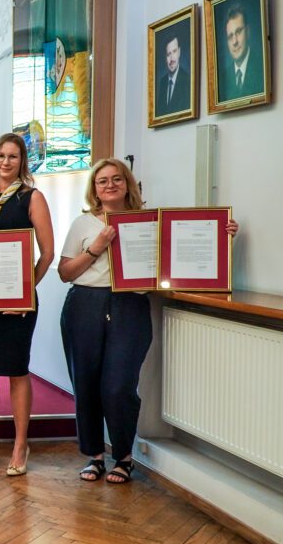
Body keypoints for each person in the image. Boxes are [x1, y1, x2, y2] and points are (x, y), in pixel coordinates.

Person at [58, 158, 238, 483]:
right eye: (102, 181)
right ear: (94, 189)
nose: (110, 185)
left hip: (131, 307)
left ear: (127, 183)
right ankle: (95, 455)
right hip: (84, 304)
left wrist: (220, 237)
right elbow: (65, 273)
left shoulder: (152, 222)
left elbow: (181, 257)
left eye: (116, 179)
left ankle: (124, 456)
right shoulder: (83, 224)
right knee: (85, 383)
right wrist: (96, 249)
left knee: (117, 386)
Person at [0, 133, 54, 476]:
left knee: (17, 370)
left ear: (22, 161)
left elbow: (47, 253)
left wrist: (25, 293)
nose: (5, 162)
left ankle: (20, 443)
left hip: (18, 303)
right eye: (0, 155)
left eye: (13, 156)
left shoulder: (32, 197)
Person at [220, 2, 264, 100]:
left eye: (239, 31)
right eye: (230, 36)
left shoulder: (262, 66)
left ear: (248, 32)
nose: (234, 41)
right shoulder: (223, 78)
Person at [155, 31, 190, 115]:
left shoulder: (187, 80)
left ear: (179, 52)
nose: (171, 59)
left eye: (174, 51)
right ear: (165, 58)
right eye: (168, 54)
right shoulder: (162, 82)